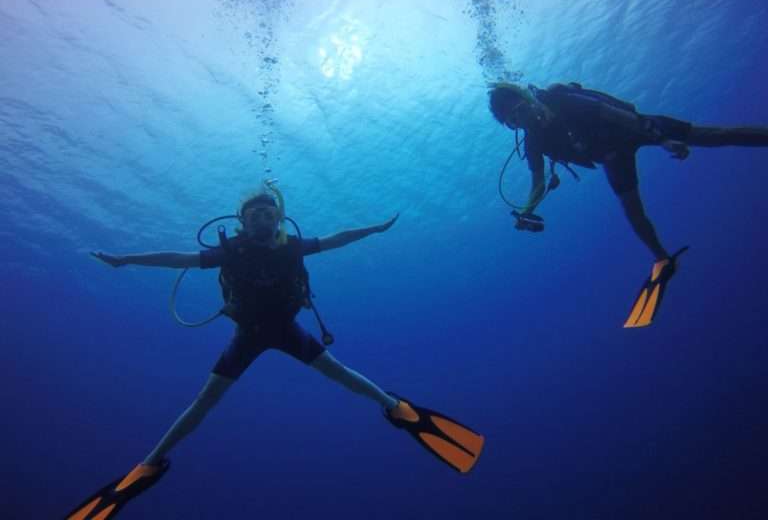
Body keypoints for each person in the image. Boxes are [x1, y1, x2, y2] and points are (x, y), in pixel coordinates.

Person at [68, 185, 483, 519]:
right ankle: (147, 465)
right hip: (248, 334)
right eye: (253, 215)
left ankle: (398, 409)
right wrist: (125, 260)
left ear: (279, 219)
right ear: (242, 222)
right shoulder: (228, 252)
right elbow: (177, 257)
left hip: (285, 329)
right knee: (204, 401)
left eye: (268, 213)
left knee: (339, 373)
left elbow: (338, 239)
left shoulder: (292, 247)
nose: (261, 218)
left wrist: (372, 230)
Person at [488, 81, 768, 326]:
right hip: (612, 157)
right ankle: (662, 259)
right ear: (510, 126)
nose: (522, 119)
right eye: (513, 120)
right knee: (633, 213)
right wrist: (527, 211)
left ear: (527, 99)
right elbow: (537, 182)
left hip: (633, 128)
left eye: (520, 109)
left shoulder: (560, 101)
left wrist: (662, 139)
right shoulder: (533, 142)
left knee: (712, 136)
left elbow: (616, 114)